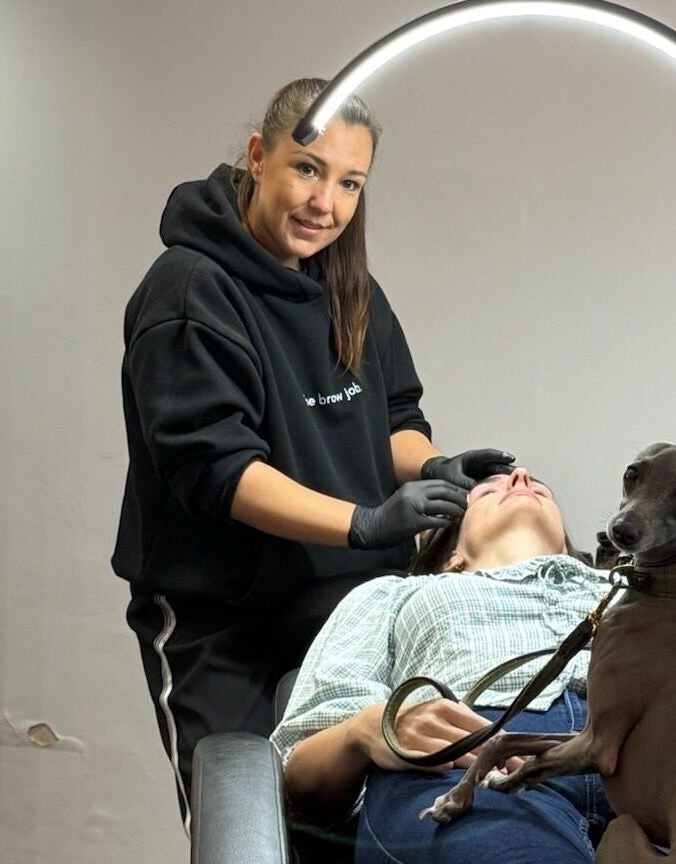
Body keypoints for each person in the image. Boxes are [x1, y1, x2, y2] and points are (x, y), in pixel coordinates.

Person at [111, 77, 513, 826]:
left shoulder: (347, 284)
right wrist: (365, 523)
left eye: (349, 182)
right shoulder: (190, 291)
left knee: (353, 817)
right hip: (222, 621)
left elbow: (391, 416)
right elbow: (221, 472)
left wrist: (430, 466)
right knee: (245, 819)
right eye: (307, 168)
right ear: (258, 157)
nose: (324, 202)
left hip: (345, 607)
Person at [273, 467, 676, 864]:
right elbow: (297, 776)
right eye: (488, 488)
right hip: (482, 761)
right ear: (451, 555)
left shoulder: (650, 594)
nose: (517, 474)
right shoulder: (397, 594)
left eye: (537, 482)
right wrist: (368, 726)